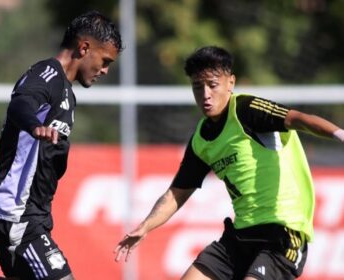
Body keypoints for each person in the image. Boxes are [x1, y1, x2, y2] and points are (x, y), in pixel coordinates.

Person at [114, 46, 344, 279]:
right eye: (197, 87)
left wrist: (340, 134)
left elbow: (298, 119)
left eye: (212, 85)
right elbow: (177, 193)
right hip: (239, 238)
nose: (205, 94)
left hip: (282, 236)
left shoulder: (245, 110)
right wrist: (146, 226)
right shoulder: (201, 139)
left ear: (230, 83)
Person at [0, 10, 122, 280]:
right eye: (105, 61)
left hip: (31, 214)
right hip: (16, 213)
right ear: (84, 47)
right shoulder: (46, 74)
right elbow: (21, 103)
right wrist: (34, 125)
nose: (104, 70)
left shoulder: (67, 91)